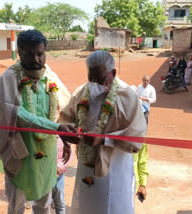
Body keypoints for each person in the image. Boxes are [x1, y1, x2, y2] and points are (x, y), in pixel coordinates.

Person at [0, 29, 79, 214]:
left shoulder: (49, 76)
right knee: (16, 206)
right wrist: (57, 128)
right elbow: (18, 114)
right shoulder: (9, 78)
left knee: (44, 204)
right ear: (19, 53)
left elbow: (64, 109)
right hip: (20, 153)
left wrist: (64, 138)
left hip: (47, 155)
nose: (36, 59)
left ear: (45, 52)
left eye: (40, 53)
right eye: (29, 54)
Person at [60, 50, 147, 214]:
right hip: (86, 164)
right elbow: (67, 117)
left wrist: (103, 139)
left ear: (112, 73)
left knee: (113, 205)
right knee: (88, 204)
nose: (94, 83)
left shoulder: (128, 96)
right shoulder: (82, 92)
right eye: (90, 77)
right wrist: (67, 129)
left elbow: (136, 137)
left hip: (116, 168)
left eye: (99, 78)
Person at [51, 137, 72, 214]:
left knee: (60, 203)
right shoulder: (43, 137)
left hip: (58, 176)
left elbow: (69, 155)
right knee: (42, 203)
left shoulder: (62, 139)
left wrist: (60, 169)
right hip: (45, 176)